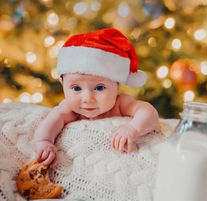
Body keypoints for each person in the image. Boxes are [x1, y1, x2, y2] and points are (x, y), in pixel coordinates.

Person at [34, 28, 160, 167]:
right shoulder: (69, 108)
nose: (87, 98)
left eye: (99, 88)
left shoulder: (120, 103)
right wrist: (44, 141)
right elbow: (53, 119)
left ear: (117, 86)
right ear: (62, 84)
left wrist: (133, 128)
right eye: (76, 88)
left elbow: (149, 112)